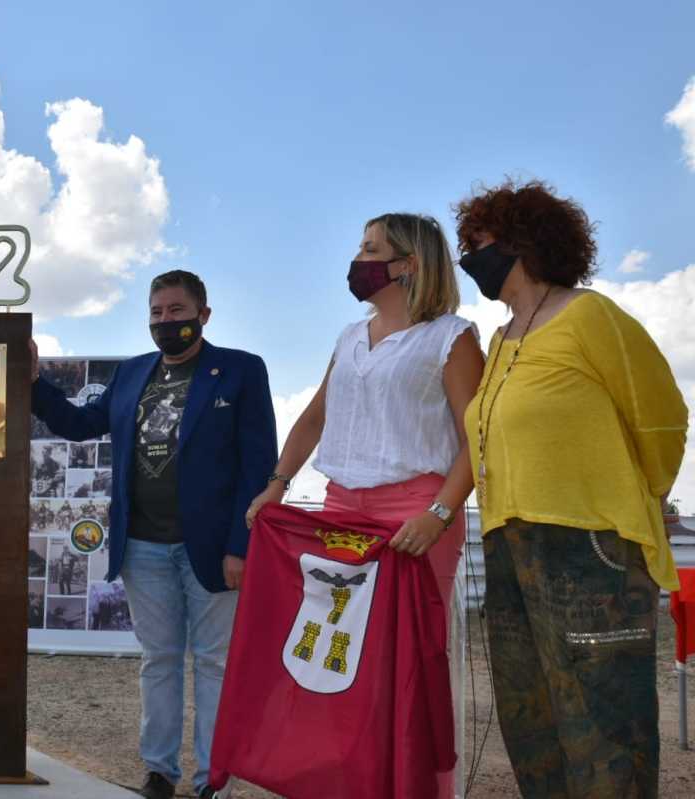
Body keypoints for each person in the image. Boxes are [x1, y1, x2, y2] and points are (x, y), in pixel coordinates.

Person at [454, 180, 688, 799]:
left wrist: (647, 494)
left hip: (589, 547)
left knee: (606, 722)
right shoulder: (502, 340)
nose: (467, 256)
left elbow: (661, 416)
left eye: (476, 242)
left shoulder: (590, 316)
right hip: (510, 544)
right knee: (531, 719)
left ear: (521, 240)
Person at [245, 212, 484, 798]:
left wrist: (441, 514)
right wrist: (277, 483)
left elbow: (480, 437)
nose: (358, 259)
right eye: (361, 247)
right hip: (338, 509)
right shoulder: (350, 335)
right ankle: (341, 779)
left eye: (371, 249)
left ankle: (418, 787)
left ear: (409, 264)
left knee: (409, 661)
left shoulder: (452, 336)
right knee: (336, 651)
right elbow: (316, 416)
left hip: (416, 514)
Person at [30, 269, 277, 799]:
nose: (166, 322)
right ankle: (159, 772)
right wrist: (34, 384)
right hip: (142, 545)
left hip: (212, 548)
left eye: (177, 311)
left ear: (203, 315)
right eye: (157, 313)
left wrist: (242, 544)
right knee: (159, 661)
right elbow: (78, 424)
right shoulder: (132, 373)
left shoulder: (241, 371)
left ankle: (215, 779)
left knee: (214, 663)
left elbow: (259, 464)